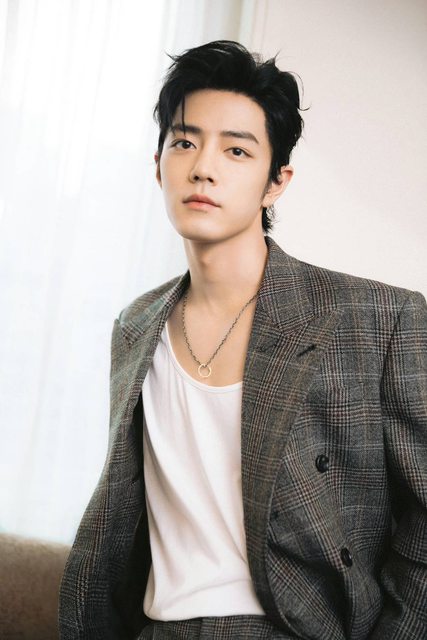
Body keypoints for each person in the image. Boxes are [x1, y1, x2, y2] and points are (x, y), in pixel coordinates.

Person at [58, 40, 427, 640]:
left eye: (236, 150)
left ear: (276, 182)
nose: (203, 167)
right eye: (184, 143)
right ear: (158, 165)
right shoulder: (136, 325)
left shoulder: (379, 319)